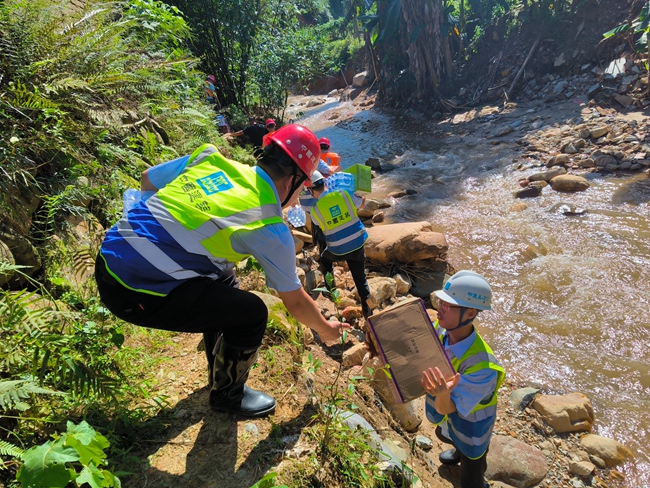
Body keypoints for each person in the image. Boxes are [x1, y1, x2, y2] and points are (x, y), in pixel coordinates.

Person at [95, 124, 347, 419]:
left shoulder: (211, 159)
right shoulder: (268, 224)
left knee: (225, 278)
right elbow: (295, 300)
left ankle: (217, 365)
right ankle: (227, 395)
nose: (298, 198)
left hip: (108, 258)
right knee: (252, 313)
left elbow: (147, 180)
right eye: (303, 187)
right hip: (133, 292)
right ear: (292, 180)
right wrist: (326, 329)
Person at [421, 271, 505, 488]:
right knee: (448, 433)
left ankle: (475, 472)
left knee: (471, 472)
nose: (440, 308)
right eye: (441, 301)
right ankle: (459, 451)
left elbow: (448, 407)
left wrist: (442, 393)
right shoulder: (443, 328)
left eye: (449, 305)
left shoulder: (483, 368)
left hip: (473, 429)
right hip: (455, 416)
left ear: (470, 313)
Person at [307, 171, 373, 318]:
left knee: (324, 259)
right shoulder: (344, 194)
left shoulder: (315, 211)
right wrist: (362, 192)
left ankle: (331, 289)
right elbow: (362, 204)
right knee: (361, 281)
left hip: (338, 250)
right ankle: (370, 312)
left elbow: (320, 227)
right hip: (357, 244)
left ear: (311, 191)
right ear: (325, 182)